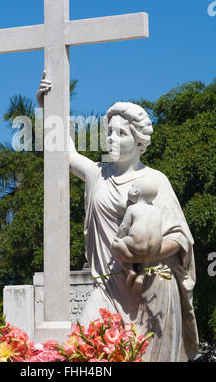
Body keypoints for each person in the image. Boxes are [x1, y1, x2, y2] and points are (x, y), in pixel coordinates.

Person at [36, 72, 199, 362]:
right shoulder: (98, 175)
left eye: (121, 133)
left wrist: (145, 253)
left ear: (139, 142)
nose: (111, 138)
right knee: (80, 352)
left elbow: (180, 237)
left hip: (152, 288)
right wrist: (47, 109)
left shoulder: (155, 180)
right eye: (109, 131)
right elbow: (65, 152)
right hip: (108, 286)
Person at [115, 177, 162, 293]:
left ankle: (129, 270)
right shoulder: (157, 210)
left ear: (136, 192)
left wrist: (119, 238)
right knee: (146, 255)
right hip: (155, 249)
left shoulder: (132, 208)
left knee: (116, 245)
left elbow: (124, 227)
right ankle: (141, 276)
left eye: (132, 186)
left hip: (136, 243)